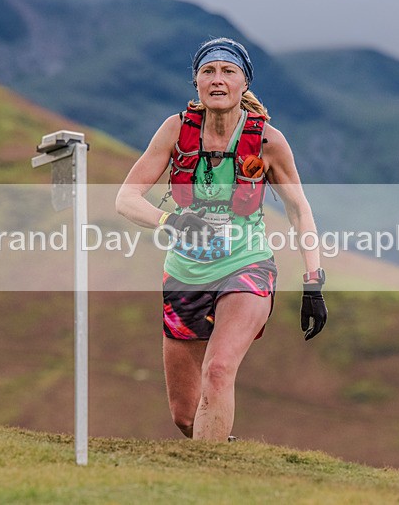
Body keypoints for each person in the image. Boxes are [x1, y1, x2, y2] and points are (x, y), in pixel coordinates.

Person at [116, 37, 327, 442]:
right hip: (185, 274)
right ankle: (218, 453)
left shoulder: (267, 140)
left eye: (228, 71)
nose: (217, 80)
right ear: (195, 82)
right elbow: (125, 198)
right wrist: (172, 222)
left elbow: (299, 209)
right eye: (208, 72)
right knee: (185, 415)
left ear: (244, 82)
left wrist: (313, 282)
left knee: (218, 369)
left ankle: (212, 480)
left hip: (247, 267)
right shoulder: (176, 131)